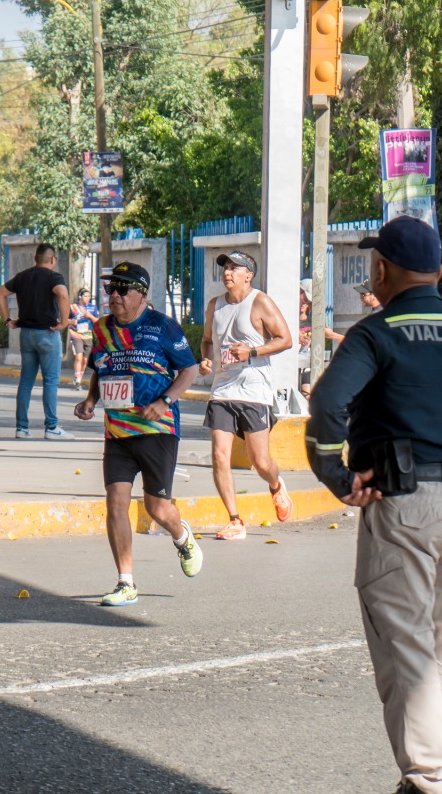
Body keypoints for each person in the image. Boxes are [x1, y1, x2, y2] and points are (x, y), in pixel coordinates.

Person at [306, 215, 442, 794]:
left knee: (406, 651)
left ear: (383, 270)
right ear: (440, 271)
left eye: (374, 265)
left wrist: (338, 477)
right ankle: (426, 775)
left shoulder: (376, 332)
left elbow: (327, 404)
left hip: (405, 503)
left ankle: (436, 789)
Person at [74, 262, 204, 606]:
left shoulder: (162, 326)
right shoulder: (102, 329)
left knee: (157, 508)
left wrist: (165, 402)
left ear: (141, 294)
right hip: (117, 432)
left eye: (122, 289)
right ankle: (125, 582)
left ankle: (182, 537)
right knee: (115, 502)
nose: (114, 296)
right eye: (110, 289)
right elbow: (101, 369)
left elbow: (189, 369)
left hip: (157, 429)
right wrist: (90, 400)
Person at [199, 250, 295, 539]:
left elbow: (286, 339)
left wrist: (251, 351)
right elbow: (206, 341)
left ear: (248, 275)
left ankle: (276, 486)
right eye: (225, 268)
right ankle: (235, 520)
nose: (227, 272)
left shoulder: (260, 301)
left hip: (254, 388)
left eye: (233, 268)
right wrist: (205, 360)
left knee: (261, 462)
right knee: (219, 455)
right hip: (223, 389)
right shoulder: (215, 305)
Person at [0, 243, 73, 439]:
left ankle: (22, 428)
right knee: (50, 381)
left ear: (35, 259)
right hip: (47, 334)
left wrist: (7, 319)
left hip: (26, 334)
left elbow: (0, 293)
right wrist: (64, 322)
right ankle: (52, 427)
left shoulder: (22, 277)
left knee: (26, 382)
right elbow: (63, 294)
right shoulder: (54, 277)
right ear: (53, 260)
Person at [297, 284, 348, 400]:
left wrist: (350, 340)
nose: (303, 304)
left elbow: (328, 333)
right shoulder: (288, 318)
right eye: (303, 299)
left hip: (307, 363)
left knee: (308, 393)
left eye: (307, 302)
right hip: (289, 365)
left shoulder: (314, 321)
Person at [68, 287, 97, 385]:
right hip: (76, 335)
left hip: (88, 335)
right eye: (85, 296)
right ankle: (77, 379)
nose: (87, 298)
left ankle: (79, 377)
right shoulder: (73, 307)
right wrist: (71, 321)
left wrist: (90, 316)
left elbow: (97, 321)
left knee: (85, 360)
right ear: (80, 297)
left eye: (89, 296)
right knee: (79, 357)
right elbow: (64, 320)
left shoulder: (93, 308)